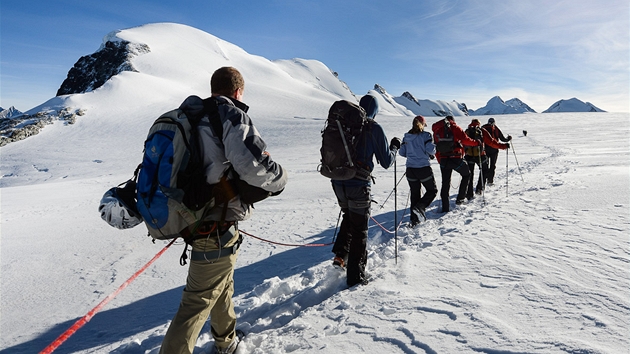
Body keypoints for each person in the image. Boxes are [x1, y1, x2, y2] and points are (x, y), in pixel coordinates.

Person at [160, 67, 288, 354]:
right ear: (238, 91)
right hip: (216, 223)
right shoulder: (230, 115)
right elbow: (252, 165)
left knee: (222, 283)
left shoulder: (192, 116)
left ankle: (226, 340)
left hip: (194, 219)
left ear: (212, 87)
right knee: (196, 302)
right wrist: (280, 178)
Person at [331, 94, 399, 287]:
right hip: (358, 185)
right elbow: (386, 161)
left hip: (338, 182)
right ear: (375, 111)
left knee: (349, 216)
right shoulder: (372, 127)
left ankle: (341, 256)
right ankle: (355, 277)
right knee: (360, 229)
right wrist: (394, 148)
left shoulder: (343, 125)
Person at [432, 115, 480, 212]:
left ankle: (445, 207)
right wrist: (476, 143)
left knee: (445, 183)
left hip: (444, 160)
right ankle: (460, 199)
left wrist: (440, 161)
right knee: (467, 174)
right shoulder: (455, 128)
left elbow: (436, 147)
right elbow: (466, 140)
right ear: (452, 120)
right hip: (456, 159)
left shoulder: (437, 130)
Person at [399, 115, 437, 227]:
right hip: (423, 168)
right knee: (432, 191)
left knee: (415, 193)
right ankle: (420, 208)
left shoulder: (406, 136)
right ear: (423, 124)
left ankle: (414, 220)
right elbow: (431, 150)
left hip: (410, 169)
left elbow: (402, 153)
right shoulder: (426, 136)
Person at [464, 118, 509, 200]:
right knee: (484, 170)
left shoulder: (467, 131)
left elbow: (462, 143)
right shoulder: (482, 131)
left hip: (469, 156)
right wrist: (503, 146)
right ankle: (479, 188)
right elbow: (492, 142)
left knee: (469, 174)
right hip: (480, 155)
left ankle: (469, 193)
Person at [482, 117, 512, 185]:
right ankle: (490, 180)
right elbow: (502, 138)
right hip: (494, 149)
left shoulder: (483, 128)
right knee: (492, 165)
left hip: (485, 149)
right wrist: (508, 139)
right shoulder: (496, 129)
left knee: (485, 166)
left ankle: (483, 180)